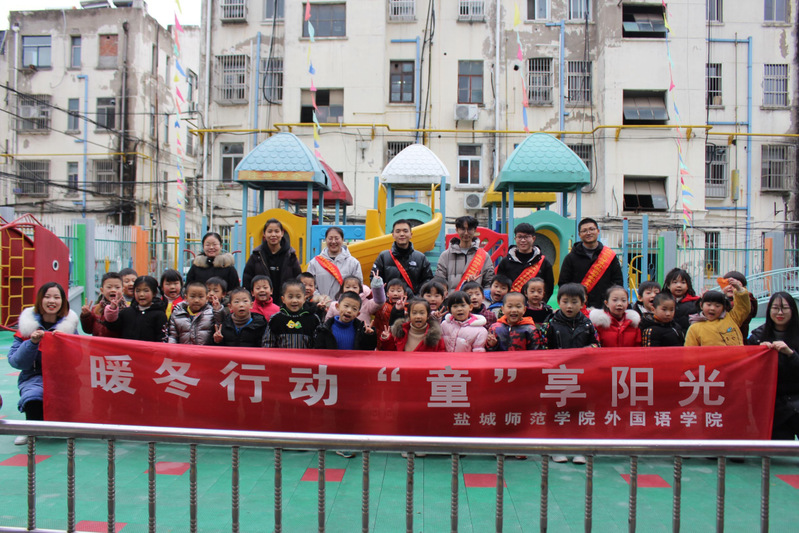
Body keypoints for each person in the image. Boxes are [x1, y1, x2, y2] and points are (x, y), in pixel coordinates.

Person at [8, 283, 79, 439]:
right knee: (33, 395)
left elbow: (78, 360)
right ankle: (30, 430)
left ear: (63, 301)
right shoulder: (26, 328)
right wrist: (32, 343)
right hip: (34, 377)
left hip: (63, 379)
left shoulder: (69, 328)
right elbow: (15, 361)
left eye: (56, 297)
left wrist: (65, 342)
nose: (51, 301)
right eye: (47, 297)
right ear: (40, 300)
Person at [747, 292, 799, 440]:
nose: (780, 313)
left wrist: (790, 354)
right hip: (773, 405)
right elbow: (749, 372)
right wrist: (758, 354)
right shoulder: (757, 336)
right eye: (775, 308)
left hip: (796, 399)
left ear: (793, 310)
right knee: (779, 447)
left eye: (784, 308)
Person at [557, 218, 623, 309]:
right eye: (584, 231)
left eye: (592, 229)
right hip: (579, 309)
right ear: (579, 234)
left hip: (604, 307)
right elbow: (564, 284)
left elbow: (617, 282)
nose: (588, 233)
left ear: (598, 231)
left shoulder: (609, 256)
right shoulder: (570, 258)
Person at [242, 219, 302, 300]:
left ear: (282, 233)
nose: (273, 235)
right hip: (261, 302)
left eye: (277, 231)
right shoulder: (256, 256)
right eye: (269, 231)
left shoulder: (290, 255)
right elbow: (247, 279)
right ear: (264, 234)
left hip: (286, 302)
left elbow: (298, 280)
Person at [371, 219, 433, 295]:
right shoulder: (383, 256)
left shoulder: (421, 257)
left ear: (411, 234)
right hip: (389, 301)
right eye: (398, 231)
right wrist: (386, 297)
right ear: (393, 235)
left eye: (405, 231)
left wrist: (417, 298)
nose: (402, 234)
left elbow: (428, 280)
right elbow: (374, 279)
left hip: (413, 301)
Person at [496, 223, 554, 302]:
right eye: (520, 237)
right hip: (511, 305)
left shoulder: (544, 263)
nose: (523, 240)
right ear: (515, 238)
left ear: (533, 238)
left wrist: (539, 304)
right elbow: (500, 284)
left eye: (526, 237)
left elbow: (549, 288)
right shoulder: (505, 262)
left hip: (534, 306)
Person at [685, 278, 750, 347]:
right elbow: (690, 350)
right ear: (701, 305)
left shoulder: (732, 318)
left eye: (717, 306)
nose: (712, 308)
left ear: (723, 307)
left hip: (737, 354)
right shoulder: (694, 328)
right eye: (709, 305)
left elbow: (743, 308)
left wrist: (739, 289)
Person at [435, 215, 494, 291]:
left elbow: (489, 283)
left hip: (475, 298)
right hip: (452, 298)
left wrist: (482, 297)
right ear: (457, 230)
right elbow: (439, 283)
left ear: (475, 230)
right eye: (462, 229)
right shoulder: (445, 256)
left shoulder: (484, 256)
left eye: (469, 229)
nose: (466, 233)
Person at [103, 276, 168, 342]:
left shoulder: (160, 315)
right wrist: (112, 309)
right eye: (138, 291)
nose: (141, 294)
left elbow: (162, 339)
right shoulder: (126, 312)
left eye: (146, 291)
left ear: (154, 293)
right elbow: (112, 327)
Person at [307, 226, 364, 300]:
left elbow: (359, 286)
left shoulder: (353, 263)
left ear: (342, 240)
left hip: (344, 305)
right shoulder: (314, 263)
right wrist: (320, 299)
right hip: (320, 305)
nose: (333, 242)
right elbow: (309, 285)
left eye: (337, 238)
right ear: (325, 239)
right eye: (330, 238)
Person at [539, 283, 601, 350]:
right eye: (565, 302)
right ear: (559, 302)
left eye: (574, 302)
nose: (569, 306)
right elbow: (543, 348)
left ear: (582, 304)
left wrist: (587, 349)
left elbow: (596, 344)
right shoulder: (550, 324)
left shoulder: (587, 324)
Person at [262, 280, 320, 349]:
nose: (294, 301)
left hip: (306, 356)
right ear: (283, 299)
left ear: (304, 299)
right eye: (290, 297)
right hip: (282, 356)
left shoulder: (313, 319)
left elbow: (318, 344)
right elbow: (268, 344)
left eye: (298, 297)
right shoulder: (276, 319)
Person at [314, 292, 378, 350]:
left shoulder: (360, 329)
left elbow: (368, 349)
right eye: (346, 306)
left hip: (353, 359)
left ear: (358, 314)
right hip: (331, 359)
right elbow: (319, 351)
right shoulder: (325, 329)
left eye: (354, 309)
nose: (349, 311)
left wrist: (368, 336)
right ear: (337, 306)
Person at [377, 298, 445, 352]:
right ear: (409, 315)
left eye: (422, 313)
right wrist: (387, 339)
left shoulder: (436, 337)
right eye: (414, 313)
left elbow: (441, 357)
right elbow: (392, 353)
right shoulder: (400, 333)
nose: (418, 316)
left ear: (428, 315)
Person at [80, 272, 123, 338]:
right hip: (97, 344)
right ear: (102, 290)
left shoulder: (126, 309)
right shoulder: (96, 309)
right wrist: (86, 315)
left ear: (123, 290)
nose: (113, 290)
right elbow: (88, 330)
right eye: (109, 287)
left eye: (117, 287)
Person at [721, 270, 758, 339]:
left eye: (735, 285)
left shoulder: (747, 301)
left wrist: (739, 292)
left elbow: (742, 309)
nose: (730, 287)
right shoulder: (720, 300)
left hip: (738, 339)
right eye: (727, 284)